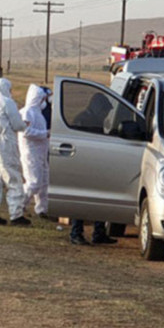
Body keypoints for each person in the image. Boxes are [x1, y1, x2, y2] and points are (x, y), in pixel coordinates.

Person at [68, 91, 116, 245]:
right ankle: (76, 233)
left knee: (100, 199)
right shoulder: (83, 120)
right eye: (104, 111)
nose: (105, 115)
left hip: (96, 166)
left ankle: (99, 233)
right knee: (81, 201)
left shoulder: (95, 119)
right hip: (83, 167)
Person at [0, 77, 29, 226]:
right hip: (4, 141)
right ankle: (16, 214)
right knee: (12, 176)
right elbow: (16, 124)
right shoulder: (7, 103)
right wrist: (24, 125)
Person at [19, 84, 50, 218]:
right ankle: (19, 204)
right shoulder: (27, 112)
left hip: (41, 152)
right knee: (33, 182)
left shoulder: (38, 113)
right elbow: (26, 132)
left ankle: (42, 209)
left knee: (44, 182)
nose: (44, 102)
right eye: (43, 99)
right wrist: (45, 134)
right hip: (31, 153)